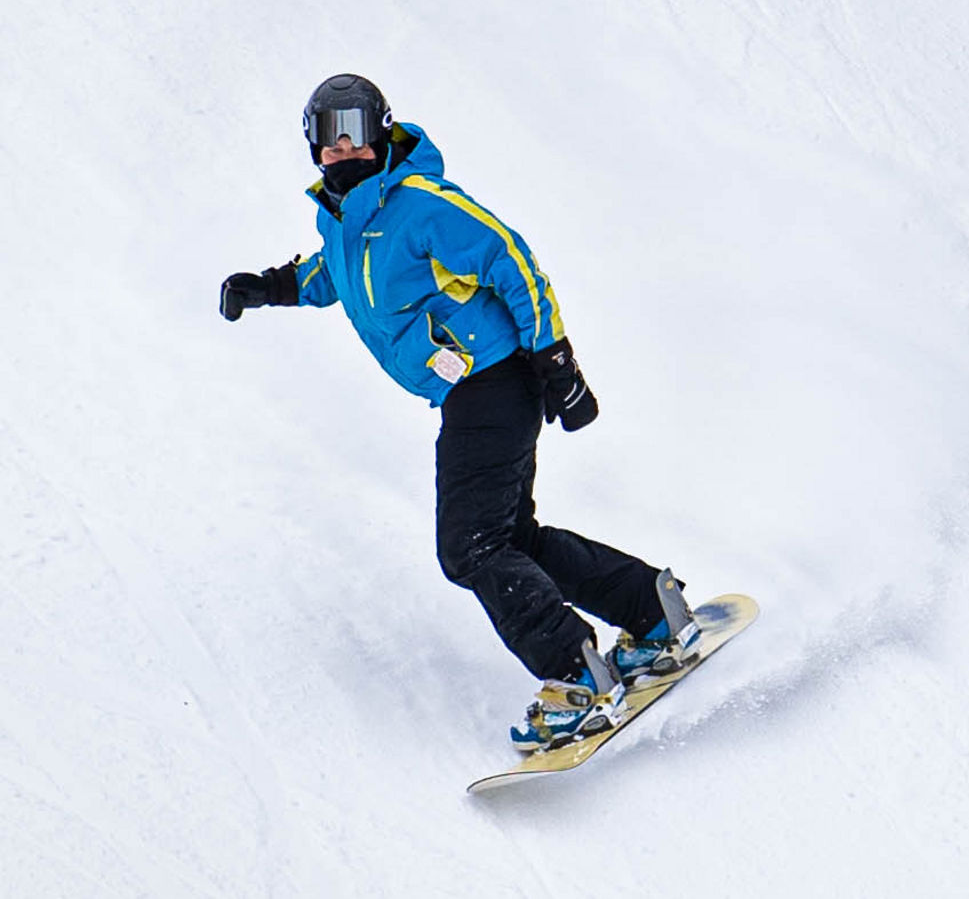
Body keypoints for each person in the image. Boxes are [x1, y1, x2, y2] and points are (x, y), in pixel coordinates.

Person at [218, 73, 699, 752]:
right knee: (509, 540)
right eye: (330, 134)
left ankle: (575, 670)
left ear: (384, 128)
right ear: (313, 147)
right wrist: (270, 287)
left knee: (469, 546)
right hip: (469, 391)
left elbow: (510, 258)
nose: (344, 145)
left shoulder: (417, 202)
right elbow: (333, 273)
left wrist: (554, 357)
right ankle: (651, 609)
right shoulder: (347, 221)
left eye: (357, 126)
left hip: (494, 382)